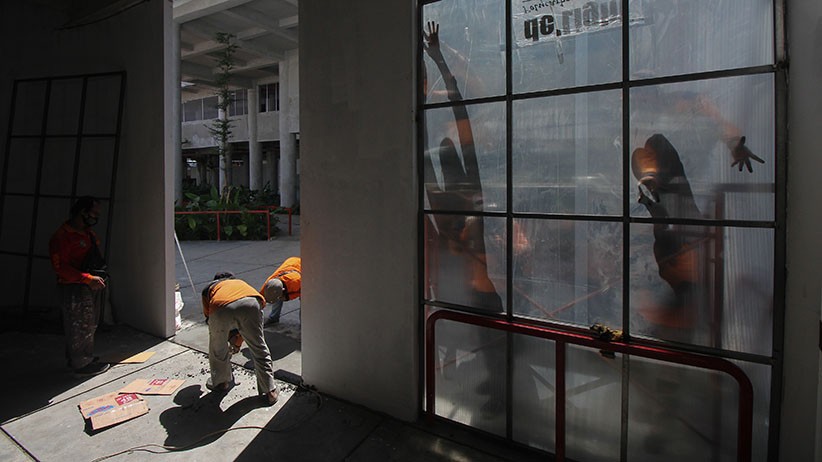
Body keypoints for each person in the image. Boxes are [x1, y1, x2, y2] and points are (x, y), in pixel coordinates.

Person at [49, 196, 110, 377]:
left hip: (90, 285)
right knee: (78, 325)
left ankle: (83, 357)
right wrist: (86, 278)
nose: (95, 217)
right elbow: (60, 267)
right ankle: (81, 364)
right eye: (93, 213)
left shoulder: (87, 234)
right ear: (82, 212)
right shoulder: (62, 237)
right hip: (74, 287)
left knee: (89, 324)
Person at [201, 272, 278, 405]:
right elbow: (245, 325)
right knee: (258, 346)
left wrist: (229, 339)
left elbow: (209, 318)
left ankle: (221, 383)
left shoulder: (209, 288)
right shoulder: (240, 283)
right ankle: (270, 390)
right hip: (253, 302)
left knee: (217, 349)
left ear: (217, 280)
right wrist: (238, 342)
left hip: (221, 306)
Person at [260, 256, 301, 325]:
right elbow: (261, 299)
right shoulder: (269, 284)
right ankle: (273, 318)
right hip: (290, 263)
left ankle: (304, 324)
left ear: (283, 290)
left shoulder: (296, 281)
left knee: (305, 303)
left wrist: (288, 297)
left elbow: (303, 292)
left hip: (301, 266)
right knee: (276, 295)